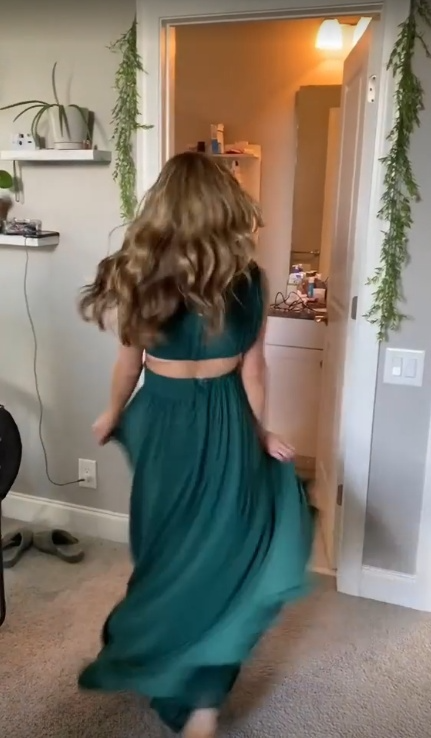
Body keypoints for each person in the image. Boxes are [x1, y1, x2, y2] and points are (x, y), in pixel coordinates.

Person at [77, 151, 316, 737]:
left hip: (164, 422)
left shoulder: (141, 275)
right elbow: (253, 371)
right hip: (227, 420)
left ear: (163, 208)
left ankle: (176, 673)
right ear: (223, 207)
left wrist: (112, 413)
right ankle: (202, 701)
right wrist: (260, 432)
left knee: (167, 552)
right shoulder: (250, 280)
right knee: (224, 554)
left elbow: (129, 365)